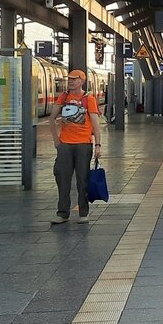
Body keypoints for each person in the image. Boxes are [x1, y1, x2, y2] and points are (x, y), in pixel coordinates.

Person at [50, 69, 102, 224]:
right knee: (63, 178)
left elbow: (96, 124)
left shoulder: (89, 99)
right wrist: (56, 140)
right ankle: (62, 213)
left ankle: (83, 212)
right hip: (65, 144)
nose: (70, 81)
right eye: (69, 79)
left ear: (82, 80)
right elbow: (52, 118)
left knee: (82, 179)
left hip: (83, 144)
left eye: (74, 79)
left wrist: (98, 145)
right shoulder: (63, 97)